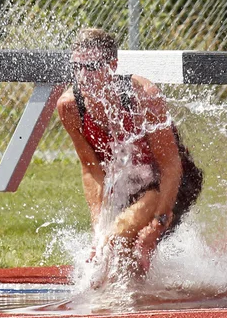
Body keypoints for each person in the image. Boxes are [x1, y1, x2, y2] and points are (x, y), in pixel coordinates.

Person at [57, 28, 203, 285]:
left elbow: (170, 166)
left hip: (173, 182)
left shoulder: (143, 96)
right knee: (113, 253)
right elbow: (91, 169)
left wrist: (157, 224)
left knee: (117, 238)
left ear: (112, 65)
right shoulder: (70, 106)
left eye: (91, 67)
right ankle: (137, 311)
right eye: (76, 67)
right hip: (132, 184)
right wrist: (98, 227)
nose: (83, 76)